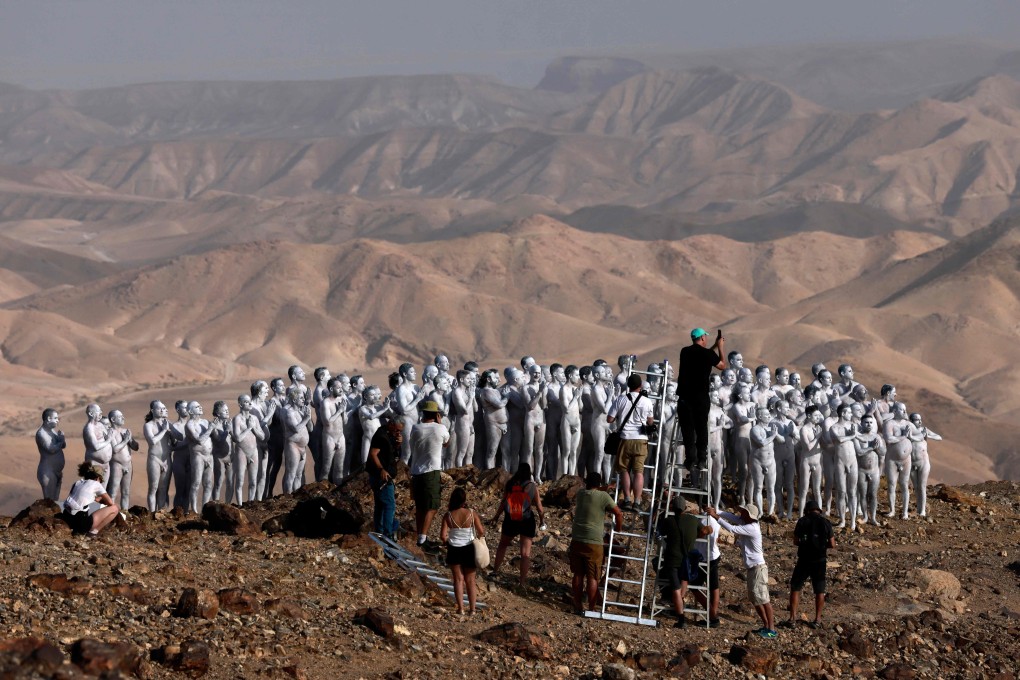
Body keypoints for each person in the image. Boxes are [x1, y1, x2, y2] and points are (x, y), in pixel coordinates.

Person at [706, 503, 776, 638]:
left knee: (763, 598)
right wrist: (718, 511)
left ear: (749, 515)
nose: (741, 513)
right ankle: (766, 625)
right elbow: (732, 518)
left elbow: (732, 528)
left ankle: (771, 629)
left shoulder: (752, 527)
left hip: (758, 568)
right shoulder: (747, 523)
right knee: (755, 598)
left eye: (744, 512)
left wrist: (716, 516)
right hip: (752, 568)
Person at [568, 472, 624, 614]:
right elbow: (618, 513)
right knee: (593, 577)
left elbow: (593, 490)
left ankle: (578, 605)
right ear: (599, 484)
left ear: (586, 482)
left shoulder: (581, 494)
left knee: (578, 574)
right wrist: (618, 528)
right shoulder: (603, 497)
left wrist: (606, 487)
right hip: (594, 541)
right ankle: (591, 608)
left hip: (577, 538)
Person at [677, 328, 726, 473]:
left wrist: (714, 347)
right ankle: (702, 458)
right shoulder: (708, 354)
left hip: (685, 399)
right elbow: (722, 365)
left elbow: (703, 355)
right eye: (706, 337)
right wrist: (720, 348)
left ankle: (690, 459)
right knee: (701, 428)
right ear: (703, 338)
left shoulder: (684, 351)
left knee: (688, 429)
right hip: (700, 399)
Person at [490, 462, 546, 588]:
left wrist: (496, 517)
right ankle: (522, 582)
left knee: (503, 545)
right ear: (529, 473)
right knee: (525, 554)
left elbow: (503, 502)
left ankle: (495, 571)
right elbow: (540, 508)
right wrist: (542, 521)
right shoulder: (532, 486)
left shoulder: (510, 484)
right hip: (526, 521)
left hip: (510, 519)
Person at [658, 496, 711, 627]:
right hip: (688, 558)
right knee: (684, 581)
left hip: (672, 558)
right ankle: (681, 607)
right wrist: (700, 535)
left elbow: (659, 532)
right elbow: (707, 529)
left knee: (675, 588)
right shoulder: (693, 520)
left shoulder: (668, 521)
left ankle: (680, 618)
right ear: (685, 508)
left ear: (672, 507)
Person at [782, 499, 835, 628]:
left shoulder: (802, 521)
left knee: (795, 587)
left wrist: (805, 545)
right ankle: (817, 619)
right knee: (819, 590)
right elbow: (832, 544)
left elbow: (795, 541)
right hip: (820, 560)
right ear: (818, 510)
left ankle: (792, 618)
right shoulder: (825, 522)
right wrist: (822, 546)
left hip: (804, 559)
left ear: (807, 510)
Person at [606, 374, 655, 511]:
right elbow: (650, 422)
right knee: (639, 472)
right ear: (640, 386)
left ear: (628, 385)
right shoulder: (647, 401)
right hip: (641, 440)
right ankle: (637, 502)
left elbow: (609, 419)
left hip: (625, 439)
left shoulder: (620, 399)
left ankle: (627, 499)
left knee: (624, 471)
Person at [410, 400, 450, 553]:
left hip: (416, 471)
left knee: (420, 506)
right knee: (433, 505)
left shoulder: (415, 428)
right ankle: (422, 538)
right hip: (431, 471)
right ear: (436, 414)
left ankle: (420, 535)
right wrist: (440, 423)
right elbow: (447, 443)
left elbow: (413, 444)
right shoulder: (440, 428)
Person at [439, 486, 486, 616]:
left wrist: (446, 543)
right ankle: (472, 609)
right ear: (464, 500)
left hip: (454, 548)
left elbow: (443, 536)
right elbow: (481, 531)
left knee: (458, 580)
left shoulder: (448, 515)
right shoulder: (471, 513)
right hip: (469, 547)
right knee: (471, 580)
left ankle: (461, 608)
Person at [367, 416, 403, 538]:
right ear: (391, 424)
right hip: (382, 478)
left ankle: (379, 531)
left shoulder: (387, 434)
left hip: (382, 476)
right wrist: (381, 469)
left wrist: (398, 444)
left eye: (400, 431)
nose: (398, 433)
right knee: (389, 505)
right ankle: (388, 534)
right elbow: (373, 453)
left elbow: (392, 453)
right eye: (397, 430)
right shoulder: (381, 436)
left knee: (380, 505)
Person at [61, 462, 120, 537]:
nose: (100, 482)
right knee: (115, 508)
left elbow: (79, 498)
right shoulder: (96, 484)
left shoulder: (78, 483)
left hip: (66, 518)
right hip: (81, 523)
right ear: (98, 478)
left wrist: (95, 499)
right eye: (101, 481)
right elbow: (110, 503)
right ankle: (93, 532)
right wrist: (102, 500)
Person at [35, 408, 66, 501]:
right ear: (49, 419)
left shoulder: (52, 431)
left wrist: (62, 439)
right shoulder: (41, 433)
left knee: (55, 501)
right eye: (55, 418)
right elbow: (51, 449)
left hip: (56, 472)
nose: (57, 420)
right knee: (50, 502)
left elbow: (63, 445)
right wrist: (61, 441)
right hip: (47, 472)